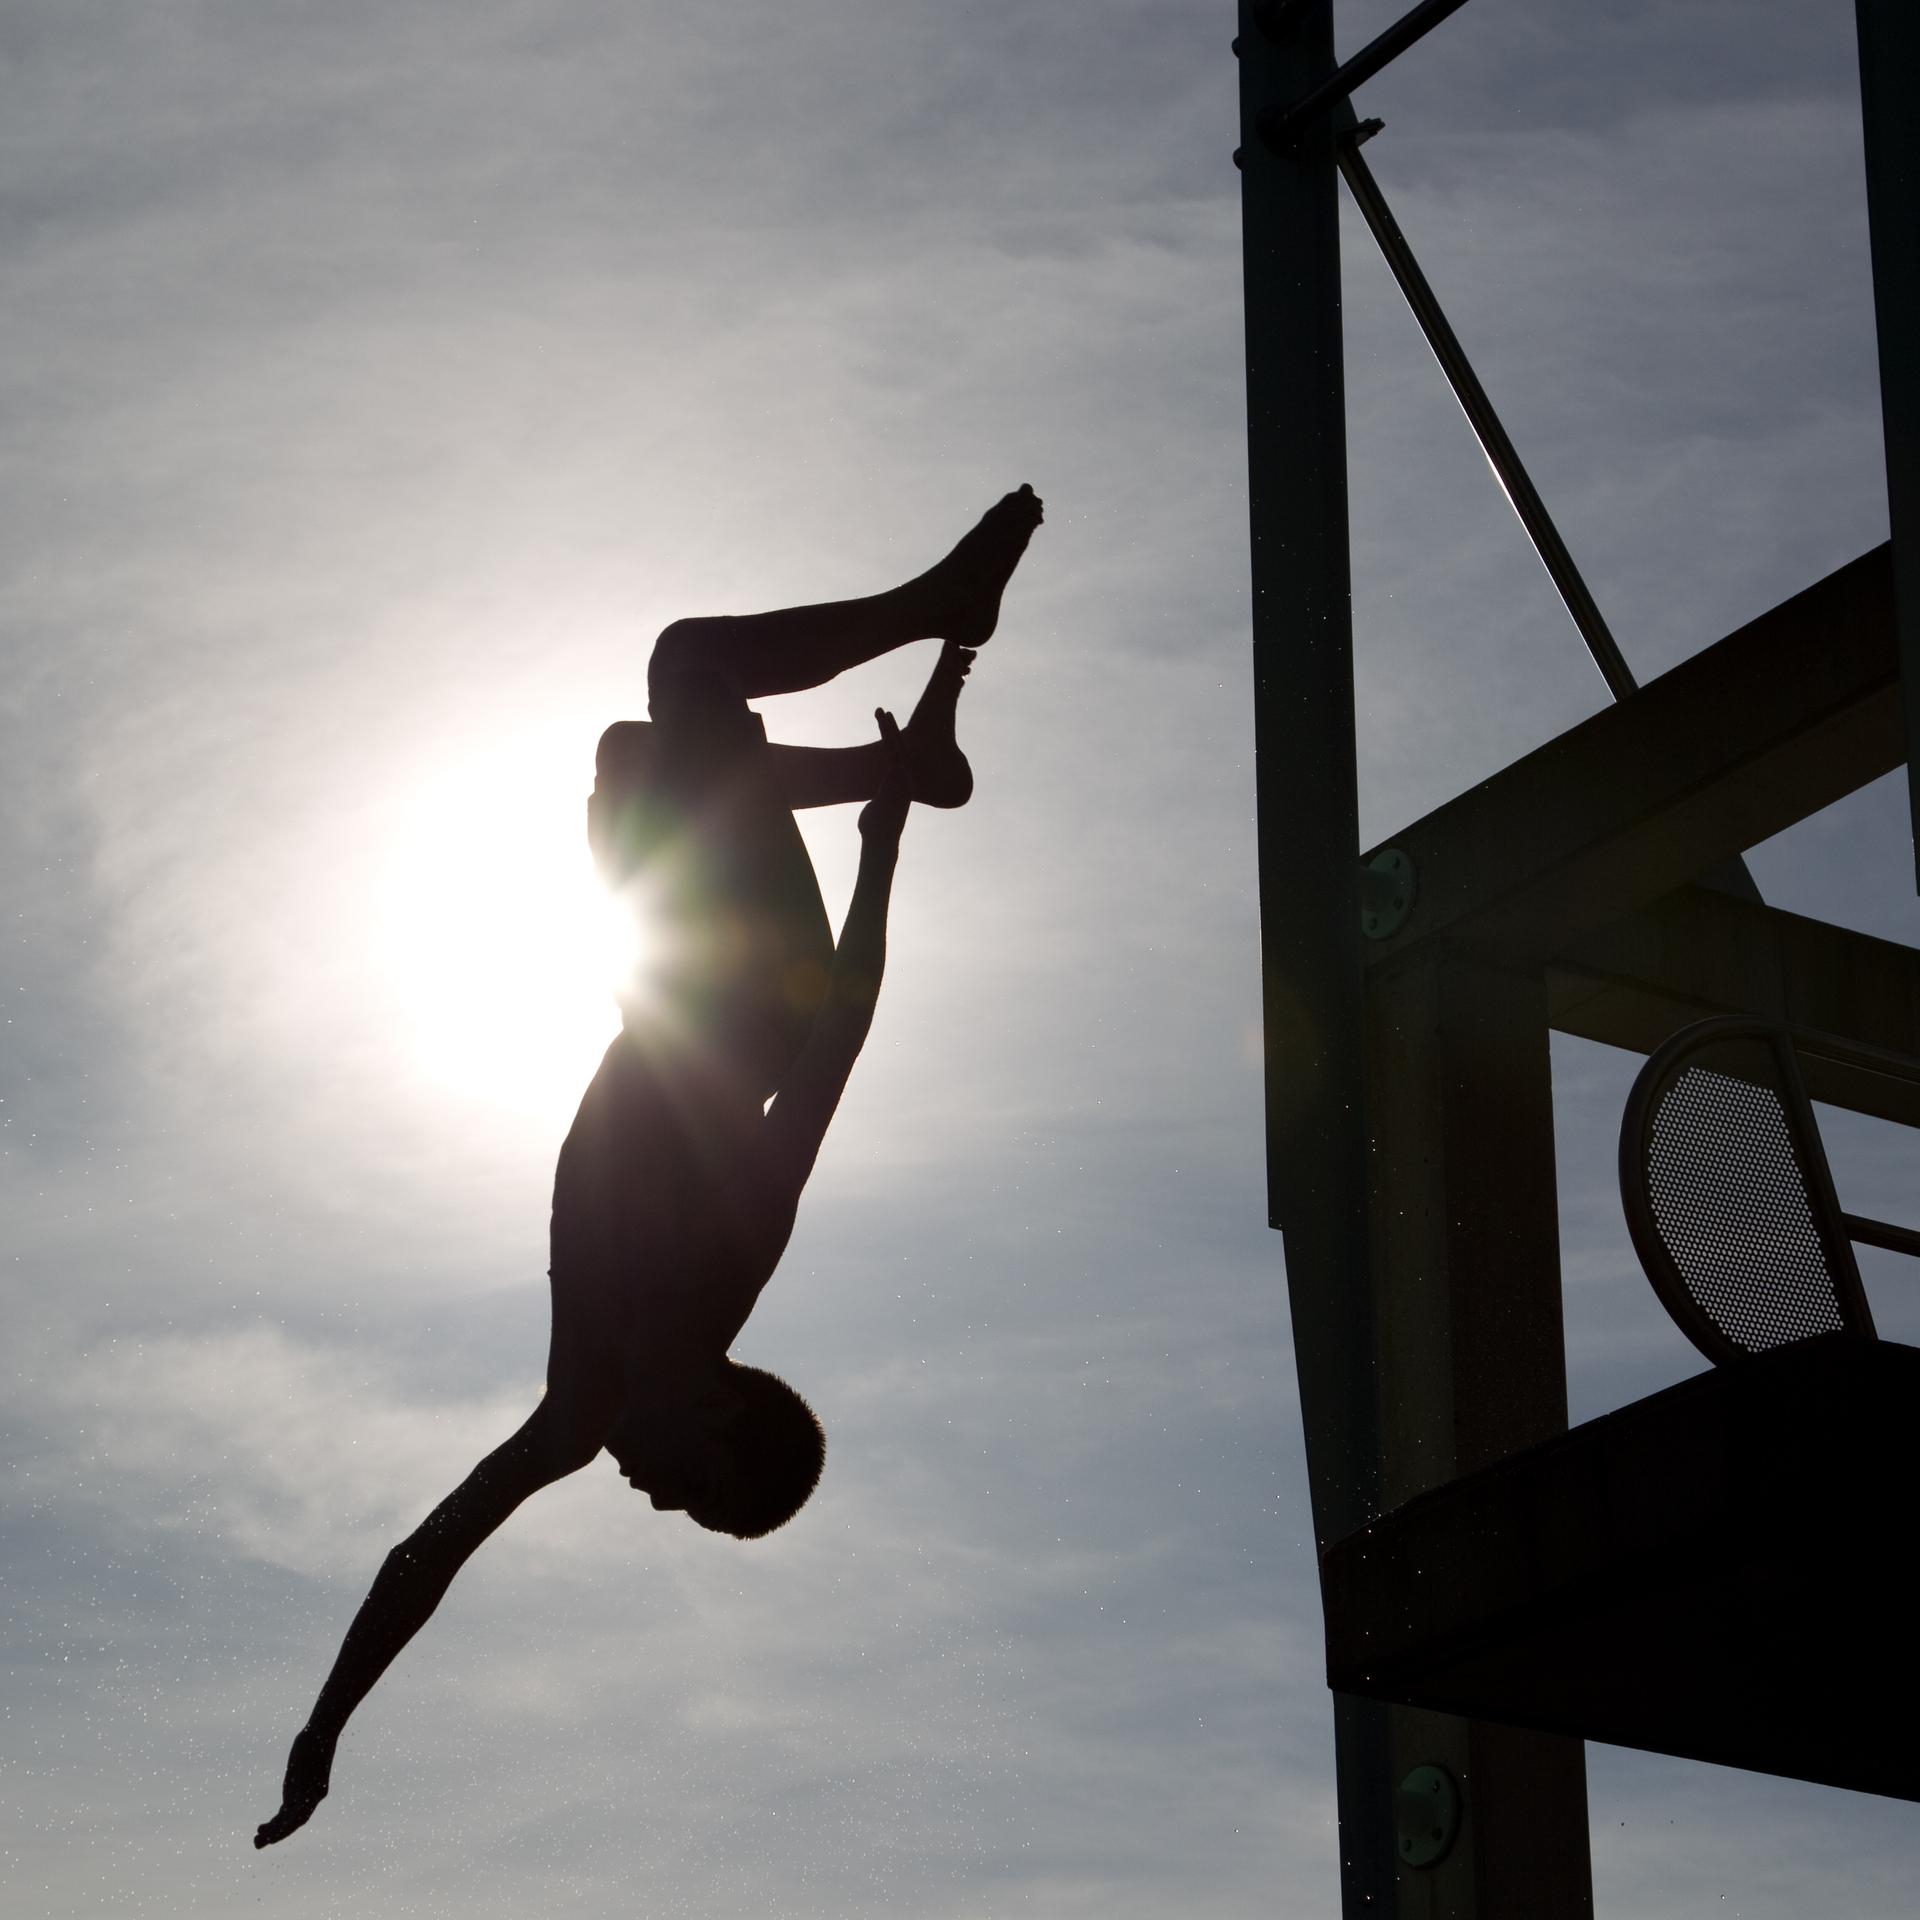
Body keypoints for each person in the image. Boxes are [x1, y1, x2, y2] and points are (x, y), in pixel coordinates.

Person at [254, 485, 1044, 1848]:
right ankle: (935, 622)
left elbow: (422, 1556)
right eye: (690, 1487)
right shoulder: (733, 1255)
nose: (652, 1495)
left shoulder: (578, 1406)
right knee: (687, 675)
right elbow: (842, 1042)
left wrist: (326, 1728)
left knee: (636, 753)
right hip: (757, 992)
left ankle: (897, 757)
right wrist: (883, 851)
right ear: (725, 1413)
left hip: (661, 976)